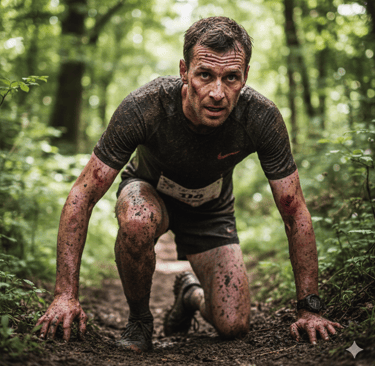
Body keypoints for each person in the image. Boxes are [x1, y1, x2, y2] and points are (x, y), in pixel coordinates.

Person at [36, 16, 343, 353]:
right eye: (205, 75)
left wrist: (308, 310)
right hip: (148, 193)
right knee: (138, 220)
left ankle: (189, 293)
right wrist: (65, 295)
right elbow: (83, 193)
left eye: (231, 78)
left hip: (211, 211)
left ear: (245, 76)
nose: (217, 92)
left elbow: (294, 210)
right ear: (184, 70)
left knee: (234, 325)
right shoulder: (144, 107)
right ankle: (139, 321)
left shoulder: (261, 118)